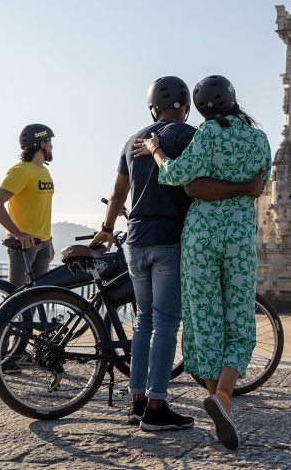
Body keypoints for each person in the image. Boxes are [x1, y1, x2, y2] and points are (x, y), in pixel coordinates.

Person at [90, 76, 265, 433]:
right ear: (185, 109)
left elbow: (118, 193)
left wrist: (107, 229)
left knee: (146, 322)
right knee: (169, 323)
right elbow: (194, 182)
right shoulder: (192, 135)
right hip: (177, 240)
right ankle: (157, 405)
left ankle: (136, 400)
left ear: (153, 107)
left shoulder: (132, 140)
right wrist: (245, 188)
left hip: (137, 239)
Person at [133, 75, 271, 450]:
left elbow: (177, 177)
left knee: (204, 320)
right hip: (240, 239)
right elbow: (261, 183)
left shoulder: (206, 135)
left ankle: (218, 401)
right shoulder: (259, 140)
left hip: (200, 238)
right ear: (233, 98)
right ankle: (223, 398)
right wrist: (243, 187)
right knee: (239, 320)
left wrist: (155, 150)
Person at [0, 124, 56, 287]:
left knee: (37, 301)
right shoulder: (21, 171)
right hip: (24, 245)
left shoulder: (44, 171)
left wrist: (49, 241)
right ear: (41, 144)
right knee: (16, 298)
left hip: (43, 244)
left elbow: (41, 208)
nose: (52, 146)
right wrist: (18, 234)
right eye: (49, 142)